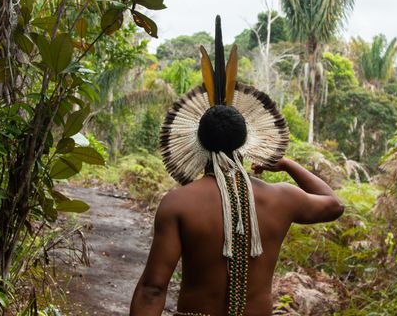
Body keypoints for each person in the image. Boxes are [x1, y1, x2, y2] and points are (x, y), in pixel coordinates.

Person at [130, 17, 344, 316]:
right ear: (247, 142)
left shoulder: (178, 203)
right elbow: (334, 205)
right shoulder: (282, 197)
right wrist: (287, 165)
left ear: (196, 141)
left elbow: (153, 288)